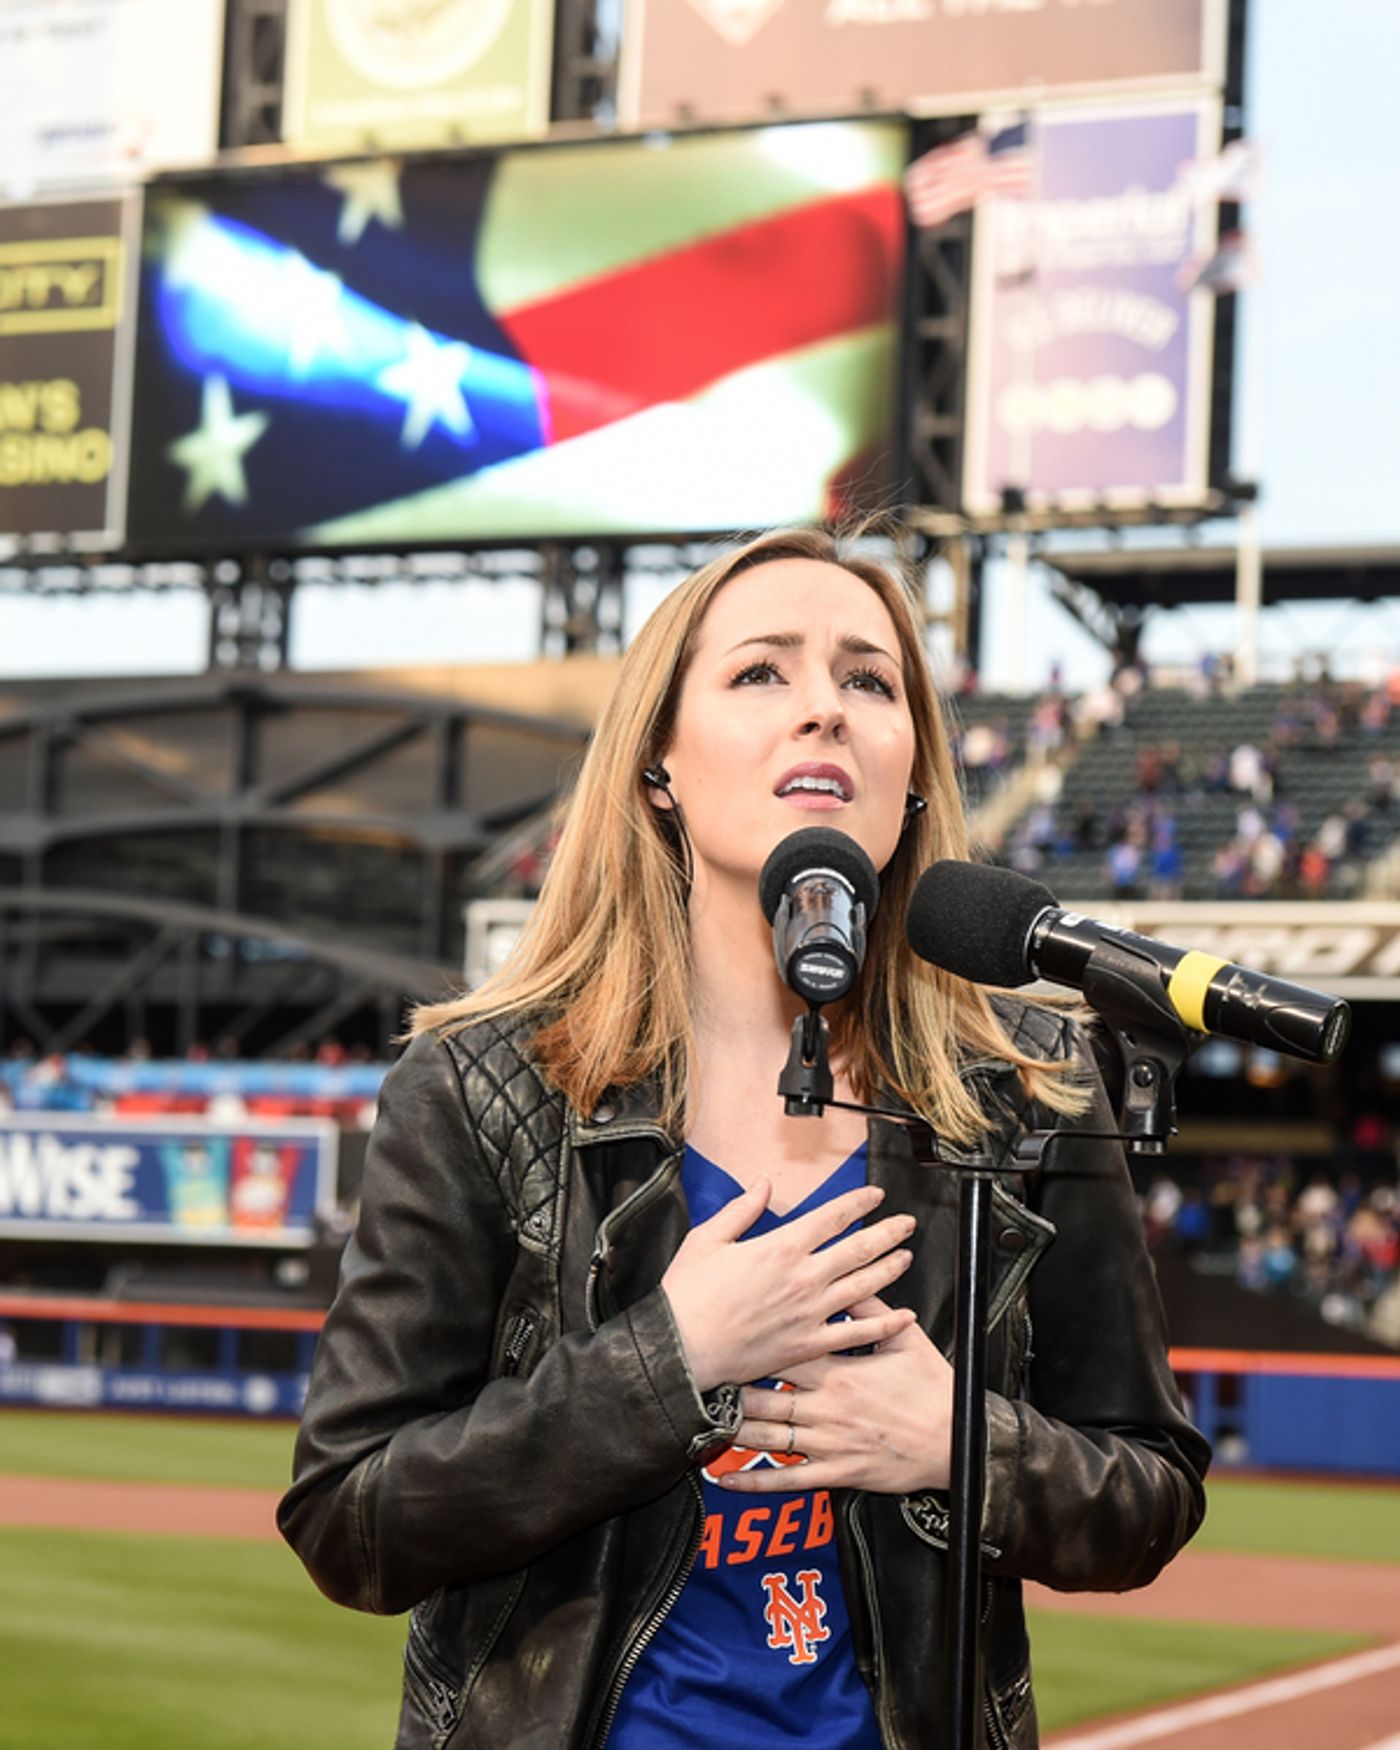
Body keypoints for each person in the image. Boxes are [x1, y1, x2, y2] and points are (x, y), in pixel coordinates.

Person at [278, 526, 1209, 1749]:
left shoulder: (1025, 1094)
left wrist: (953, 1439)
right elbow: (353, 1516)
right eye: (760, 671)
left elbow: (1147, 1494)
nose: (823, 708)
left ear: (913, 767)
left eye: (868, 680)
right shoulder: (480, 1084)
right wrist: (668, 1363)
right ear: (658, 758)